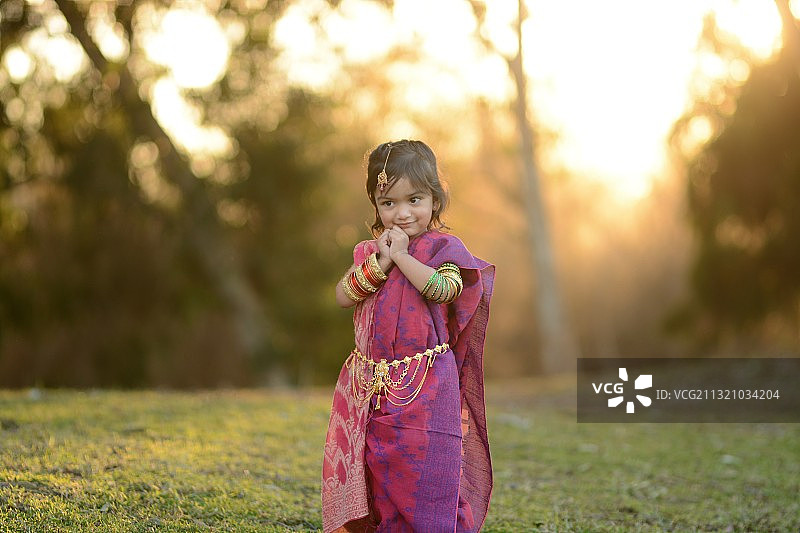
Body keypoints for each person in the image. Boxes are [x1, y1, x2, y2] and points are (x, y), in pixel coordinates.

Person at [321, 140, 495, 532]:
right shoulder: (370, 252)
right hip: (375, 390)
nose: (401, 214)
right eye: (388, 203)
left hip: (429, 388)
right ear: (375, 205)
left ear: (435, 199)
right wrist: (382, 259)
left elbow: (444, 290)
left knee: (426, 472)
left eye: (414, 199)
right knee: (380, 470)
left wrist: (402, 256)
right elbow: (343, 295)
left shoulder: (445, 248)